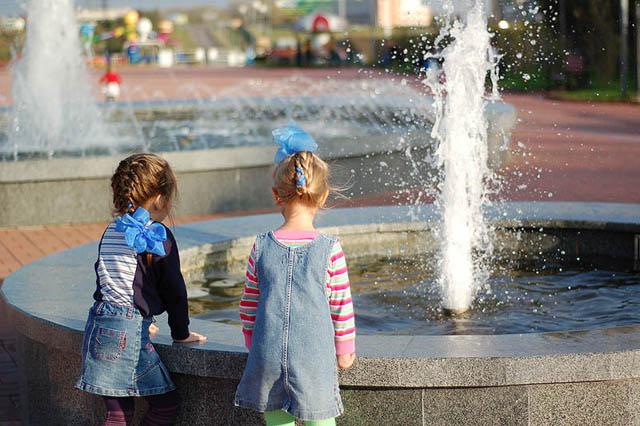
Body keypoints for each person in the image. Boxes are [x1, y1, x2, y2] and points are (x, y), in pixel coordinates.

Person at [235, 123, 356, 426]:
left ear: (276, 196)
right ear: (324, 196)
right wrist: (344, 351)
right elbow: (341, 307)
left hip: (267, 357)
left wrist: (253, 343)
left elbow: (248, 305)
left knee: (278, 422)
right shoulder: (329, 249)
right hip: (314, 360)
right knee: (321, 421)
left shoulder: (261, 245)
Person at [75, 153, 207, 426]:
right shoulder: (157, 236)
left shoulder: (111, 230)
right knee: (165, 405)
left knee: (117, 414)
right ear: (159, 200)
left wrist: (143, 324)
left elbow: (112, 282)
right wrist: (180, 334)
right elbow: (174, 292)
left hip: (98, 326)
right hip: (126, 332)